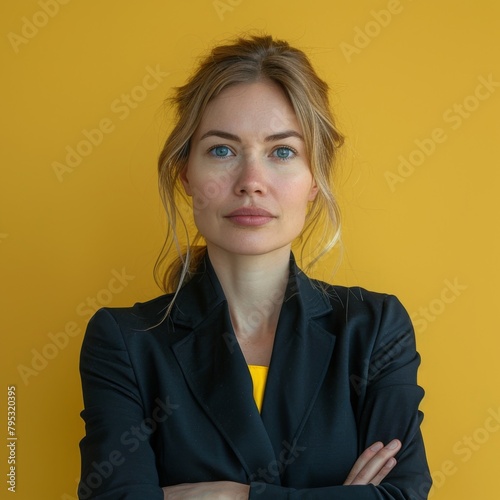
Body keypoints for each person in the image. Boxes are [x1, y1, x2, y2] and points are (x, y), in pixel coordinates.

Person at [78, 34, 431, 499]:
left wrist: (231, 496)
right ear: (186, 172)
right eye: (222, 150)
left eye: (282, 151)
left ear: (315, 178)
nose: (251, 183)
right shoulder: (124, 343)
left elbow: (403, 495)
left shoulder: (374, 330)